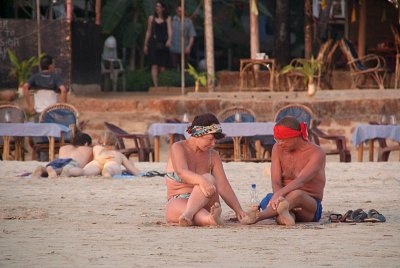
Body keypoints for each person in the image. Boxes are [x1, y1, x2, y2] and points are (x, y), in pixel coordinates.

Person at [165, 113, 247, 227]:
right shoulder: (178, 148)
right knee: (194, 210)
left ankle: (189, 216)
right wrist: (201, 181)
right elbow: (181, 171)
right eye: (210, 139)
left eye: (215, 140)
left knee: (209, 178)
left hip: (208, 201)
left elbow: (223, 186)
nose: (213, 144)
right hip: (179, 199)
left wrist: (239, 210)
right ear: (197, 134)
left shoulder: (213, 156)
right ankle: (209, 219)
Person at [241, 116, 326, 226]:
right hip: (279, 200)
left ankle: (257, 217)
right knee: (272, 199)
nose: (279, 143)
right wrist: (278, 197)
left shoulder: (317, 153)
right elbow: (276, 181)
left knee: (297, 194)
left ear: (296, 136)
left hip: (307, 205)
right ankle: (286, 213)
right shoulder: (277, 148)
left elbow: (301, 180)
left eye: (283, 140)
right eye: (277, 139)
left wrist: (279, 195)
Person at [143, 1, 172, 87]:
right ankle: (156, 85)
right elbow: (148, 31)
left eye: (159, 7)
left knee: (163, 67)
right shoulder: (151, 18)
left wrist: (169, 39)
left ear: (163, 8)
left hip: (163, 43)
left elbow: (170, 30)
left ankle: (163, 83)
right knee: (154, 65)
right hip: (153, 43)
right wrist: (145, 44)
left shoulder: (167, 18)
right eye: (156, 6)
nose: (157, 8)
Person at [169, 4, 197, 70]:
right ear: (176, 11)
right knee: (174, 67)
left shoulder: (188, 22)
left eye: (181, 11)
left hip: (185, 49)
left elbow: (192, 36)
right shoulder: (171, 21)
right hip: (173, 48)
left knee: (184, 68)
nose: (180, 12)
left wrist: (189, 47)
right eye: (179, 11)